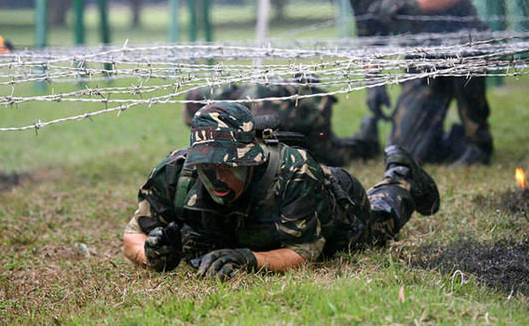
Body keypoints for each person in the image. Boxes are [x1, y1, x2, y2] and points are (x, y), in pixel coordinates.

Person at [123, 102, 440, 279]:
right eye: (208, 168)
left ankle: (402, 176)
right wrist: (152, 254)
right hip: (241, 228)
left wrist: (250, 259)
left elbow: (305, 251)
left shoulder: (294, 173)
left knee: (379, 223)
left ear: (250, 160)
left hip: (335, 210)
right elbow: (132, 236)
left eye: (228, 167)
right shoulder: (176, 173)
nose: (217, 178)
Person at [348, 0, 493, 165]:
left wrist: (408, 5)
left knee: (466, 61)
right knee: (404, 150)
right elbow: (368, 38)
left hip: (461, 44)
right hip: (422, 59)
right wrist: (373, 82)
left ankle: (478, 142)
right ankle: (450, 141)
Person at [183, 75, 380, 167]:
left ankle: (367, 141)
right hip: (291, 113)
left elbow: (267, 141)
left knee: (332, 156)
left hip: (312, 108)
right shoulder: (238, 99)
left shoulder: (252, 104)